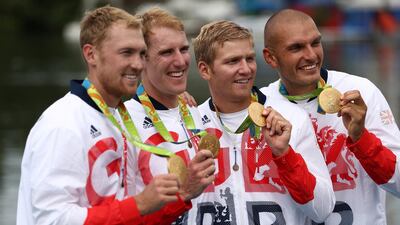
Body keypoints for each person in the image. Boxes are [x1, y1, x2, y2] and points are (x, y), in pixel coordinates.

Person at [17, 6, 214, 225]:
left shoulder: (117, 118)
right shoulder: (63, 123)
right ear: (91, 54)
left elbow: (127, 217)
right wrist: (140, 203)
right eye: (126, 53)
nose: (138, 64)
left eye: (141, 53)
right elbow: (51, 220)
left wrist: (183, 195)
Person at [261, 9, 400, 225]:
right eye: (296, 47)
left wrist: (361, 138)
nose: (311, 55)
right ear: (270, 57)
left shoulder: (360, 91)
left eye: (315, 43)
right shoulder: (263, 106)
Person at [191, 20, 335, 225]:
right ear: (205, 70)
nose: (246, 69)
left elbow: (322, 210)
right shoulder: (190, 124)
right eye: (233, 61)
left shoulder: (290, 117)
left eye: (249, 59)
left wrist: (284, 155)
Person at [123, 7, 216, 224]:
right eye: (166, 52)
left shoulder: (195, 110)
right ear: (141, 60)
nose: (181, 61)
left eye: (183, 49)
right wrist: (183, 192)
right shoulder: (122, 123)